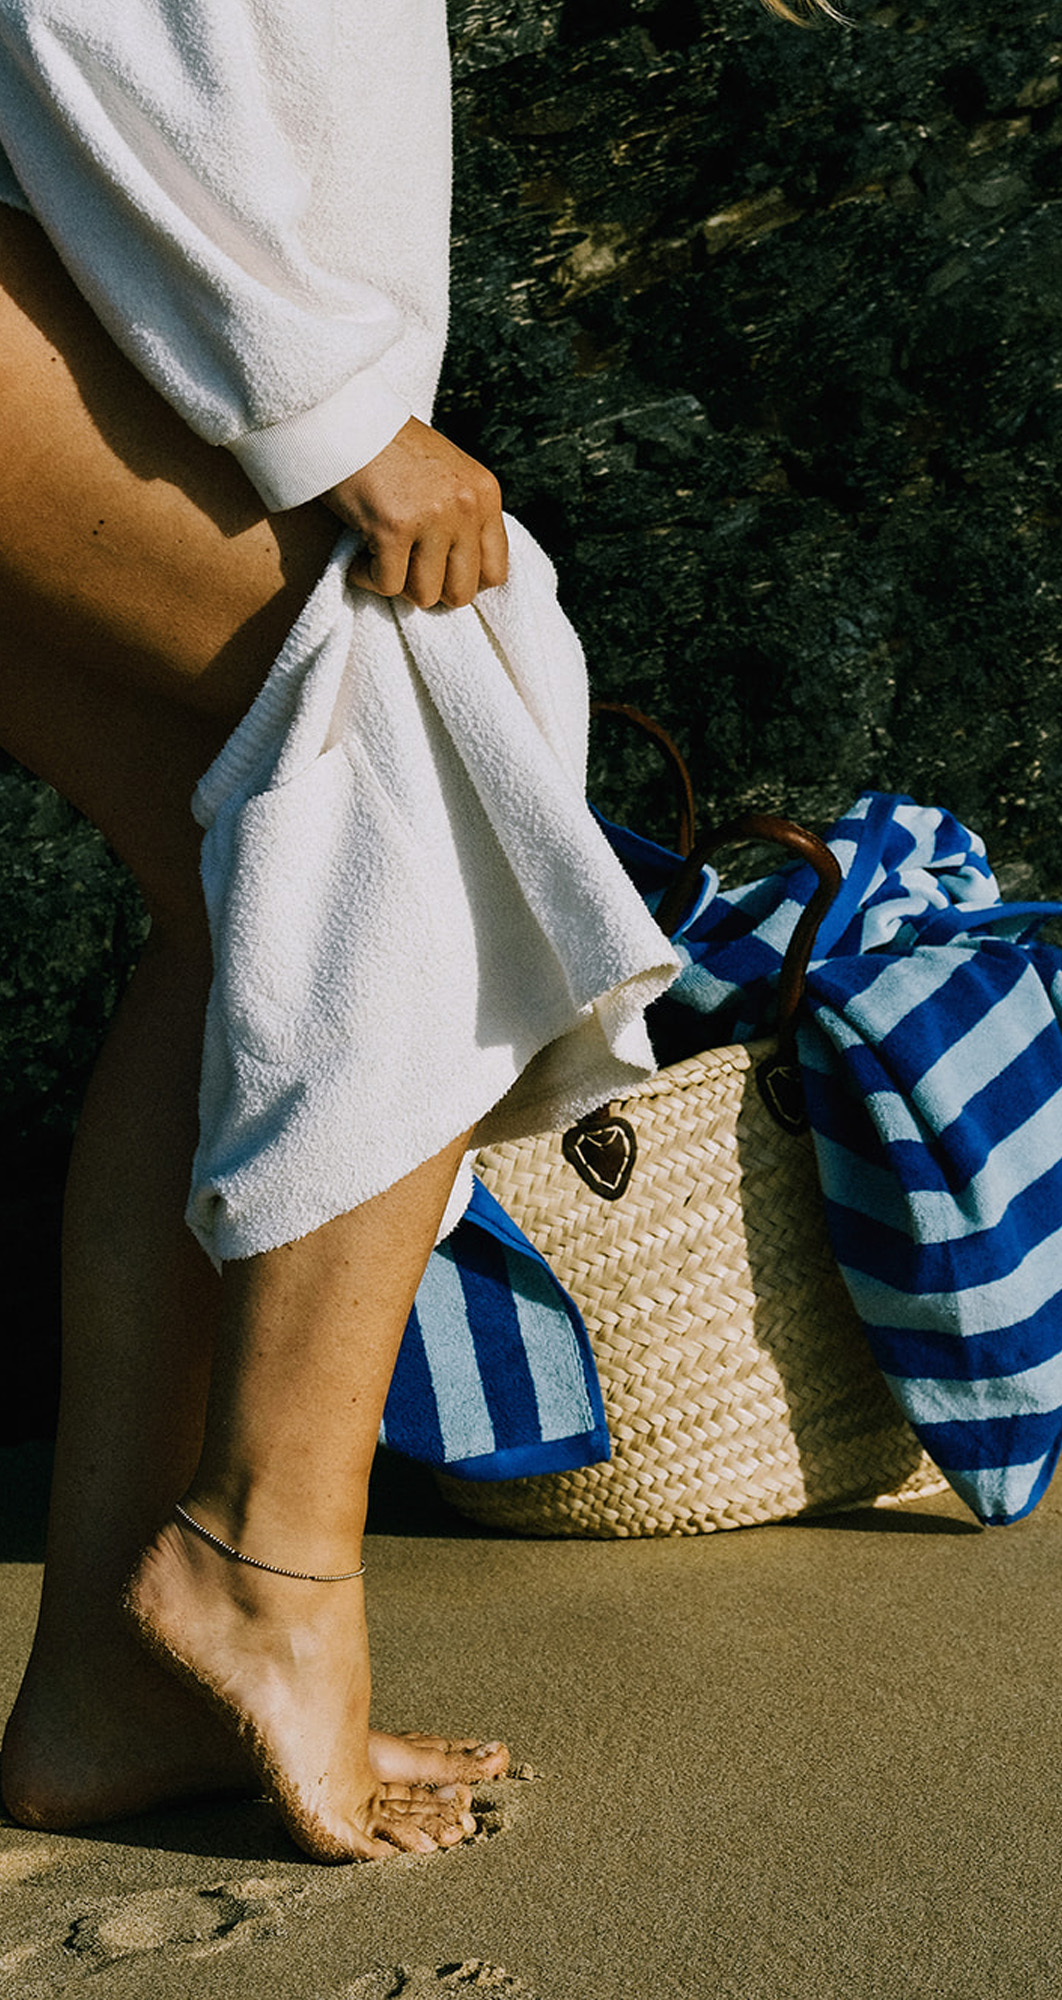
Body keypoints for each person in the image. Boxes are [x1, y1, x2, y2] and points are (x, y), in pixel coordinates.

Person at [0, 0, 654, 1862]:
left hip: (73, 301)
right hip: (61, 287)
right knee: (443, 684)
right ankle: (259, 1566)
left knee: (252, 906)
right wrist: (331, 412)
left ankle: (111, 1707)